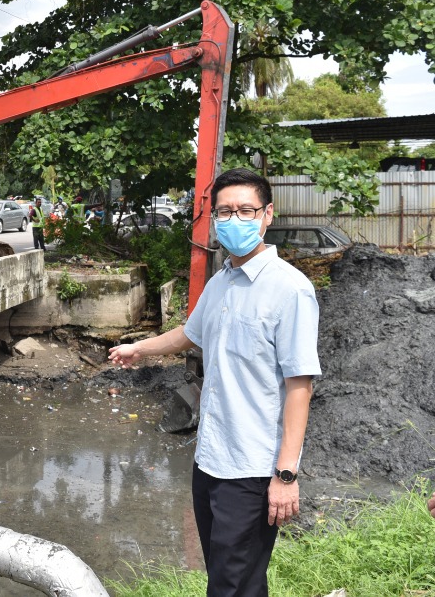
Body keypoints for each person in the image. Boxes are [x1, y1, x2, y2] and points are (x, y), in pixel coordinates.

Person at [108, 168, 320, 597]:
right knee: (235, 581)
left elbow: (301, 386)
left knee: (229, 586)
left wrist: (285, 474)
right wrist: (141, 348)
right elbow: (192, 333)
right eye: (225, 212)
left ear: (267, 215)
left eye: (245, 210)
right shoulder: (221, 281)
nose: (234, 219)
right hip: (210, 461)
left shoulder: (290, 290)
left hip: (253, 470)